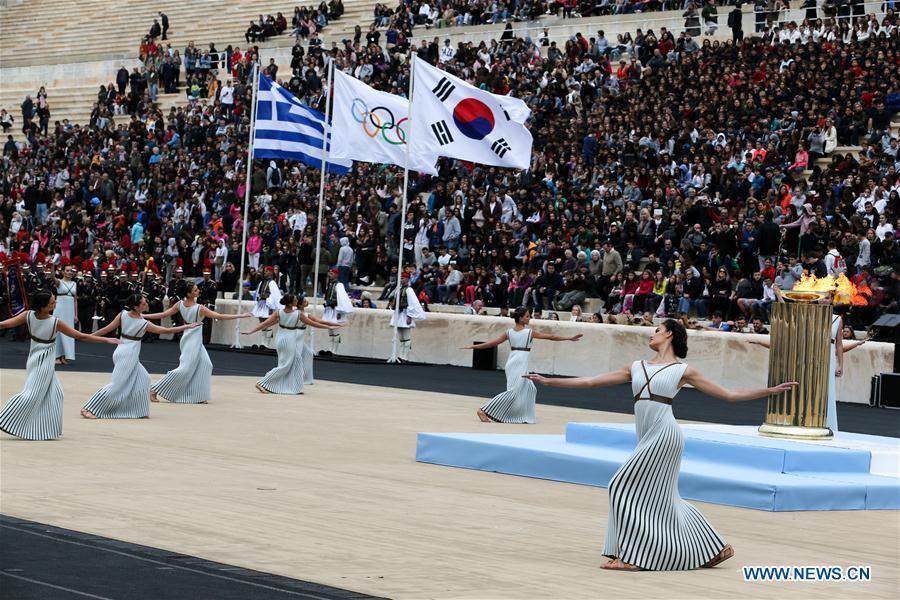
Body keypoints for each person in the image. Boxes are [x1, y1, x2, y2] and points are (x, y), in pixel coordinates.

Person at [525, 319, 797, 570]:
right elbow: (592, 381)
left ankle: (634, 557)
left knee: (619, 485)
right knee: (665, 497)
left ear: (669, 333)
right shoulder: (635, 366)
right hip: (646, 435)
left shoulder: (683, 370)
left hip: (665, 435)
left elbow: (728, 395)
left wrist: (768, 392)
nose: (652, 333)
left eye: (657, 329)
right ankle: (715, 547)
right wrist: (550, 381)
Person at [0, 291, 121, 440]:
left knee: (56, 395)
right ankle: (3, 419)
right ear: (43, 307)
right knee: (31, 394)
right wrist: (107, 340)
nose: (55, 303)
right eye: (52, 302)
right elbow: (80, 336)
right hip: (43, 360)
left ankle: (44, 430)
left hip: (35, 358)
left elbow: (3, 324)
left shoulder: (28, 315)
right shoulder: (54, 322)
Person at [81, 294, 201, 419]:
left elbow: (105, 330)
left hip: (124, 352)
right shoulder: (142, 323)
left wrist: (90, 336)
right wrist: (187, 326)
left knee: (144, 378)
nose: (147, 304)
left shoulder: (123, 315)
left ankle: (139, 410)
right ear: (136, 307)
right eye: (143, 303)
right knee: (117, 385)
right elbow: (165, 330)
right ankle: (89, 408)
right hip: (127, 355)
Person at [464, 307, 582, 423]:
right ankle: (483, 410)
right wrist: (569, 338)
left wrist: (474, 347)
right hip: (517, 363)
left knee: (530, 388)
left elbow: (491, 344)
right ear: (520, 318)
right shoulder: (527, 332)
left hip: (515, 362)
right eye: (527, 316)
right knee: (514, 391)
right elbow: (551, 337)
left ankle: (523, 415)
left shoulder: (510, 332)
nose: (529, 318)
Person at [145, 283, 252, 404]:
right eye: (196, 290)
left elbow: (163, 314)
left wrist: (143, 315)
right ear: (189, 293)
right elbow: (220, 316)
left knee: (206, 365)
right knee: (185, 369)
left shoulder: (183, 304)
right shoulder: (199, 308)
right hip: (191, 340)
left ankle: (198, 395)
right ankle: (154, 389)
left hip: (193, 339)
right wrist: (241, 315)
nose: (198, 291)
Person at [243, 294, 340, 394]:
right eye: (295, 300)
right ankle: (262, 382)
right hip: (288, 339)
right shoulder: (297, 314)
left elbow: (265, 324)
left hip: (281, 338)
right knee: (286, 365)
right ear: (290, 303)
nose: (297, 300)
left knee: (297, 361)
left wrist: (251, 331)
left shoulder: (280, 312)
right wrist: (329, 327)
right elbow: (313, 323)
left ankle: (295, 387)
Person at [389, 273, 427, 363]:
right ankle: (400, 356)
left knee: (406, 337)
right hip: (398, 313)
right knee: (401, 338)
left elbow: (412, 303)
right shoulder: (398, 289)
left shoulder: (409, 290)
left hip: (405, 314)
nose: (401, 279)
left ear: (407, 279)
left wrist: (409, 316)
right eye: (401, 278)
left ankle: (404, 357)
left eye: (403, 278)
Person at [323, 267, 354, 354]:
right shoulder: (330, 284)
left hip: (335, 309)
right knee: (330, 329)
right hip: (329, 309)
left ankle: (334, 351)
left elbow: (342, 299)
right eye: (329, 273)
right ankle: (331, 349)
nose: (330, 275)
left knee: (335, 329)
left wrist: (340, 311)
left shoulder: (339, 285)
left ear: (336, 274)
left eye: (332, 273)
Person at [52, 265, 78, 364]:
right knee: (58, 332)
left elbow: (75, 300)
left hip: (70, 311)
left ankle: (64, 356)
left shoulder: (74, 284)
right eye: (67, 270)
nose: (69, 272)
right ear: (63, 272)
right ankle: (56, 357)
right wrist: (52, 266)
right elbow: (52, 277)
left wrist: (76, 315)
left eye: (71, 271)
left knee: (68, 332)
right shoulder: (59, 282)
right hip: (60, 309)